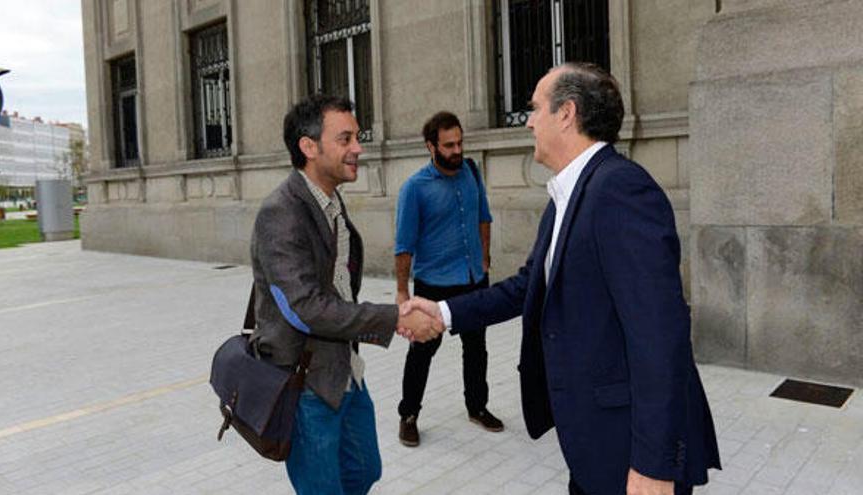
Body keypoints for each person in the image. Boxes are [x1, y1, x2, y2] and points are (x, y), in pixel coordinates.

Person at [402, 63, 721, 495]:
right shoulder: (572, 192)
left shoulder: (621, 191)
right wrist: (443, 310)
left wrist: (654, 463)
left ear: (566, 113)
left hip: (630, 451)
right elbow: (528, 284)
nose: (530, 120)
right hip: (592, 441)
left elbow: (660, 336)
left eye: (536, 108)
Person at [249, 94, 437, 495]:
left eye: (357, 137)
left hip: (347, 369)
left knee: (364, 470)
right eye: (346, 138)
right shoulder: (281, 212)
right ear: (308, 146)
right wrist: (395, 317)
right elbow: (305, 309)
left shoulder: (330, 201)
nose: (358, 148)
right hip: (306, 384)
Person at [394, 111, 503, 447]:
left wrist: (484, 259)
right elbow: (404, 245)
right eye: (449, 145)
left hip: (472, 277)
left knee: (477, 347)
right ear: (431, 146)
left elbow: (483, 217)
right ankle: (409, 415)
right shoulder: (415, 188)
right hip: (434, 285)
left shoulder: (471, 171)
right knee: (422, 352)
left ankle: (477, 406)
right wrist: (402, 292)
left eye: (460, 142)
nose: (457, 150)